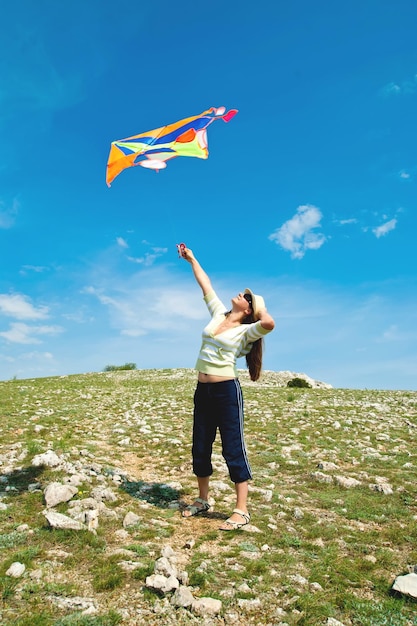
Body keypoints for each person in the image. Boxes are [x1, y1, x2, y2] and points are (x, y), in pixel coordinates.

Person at [180, 247, 275, 530]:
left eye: (247, 298)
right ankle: (202, 499)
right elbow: (205, 284)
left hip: (226, 392)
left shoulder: (248, 330)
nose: (241, 295)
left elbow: (269, 323)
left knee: (233, 447)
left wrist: (260, 308)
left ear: (249, 310)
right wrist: (192, 259)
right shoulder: (217, 316)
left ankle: (241, 510)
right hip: (203, 390)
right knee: (200, 444)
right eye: (244, 294)